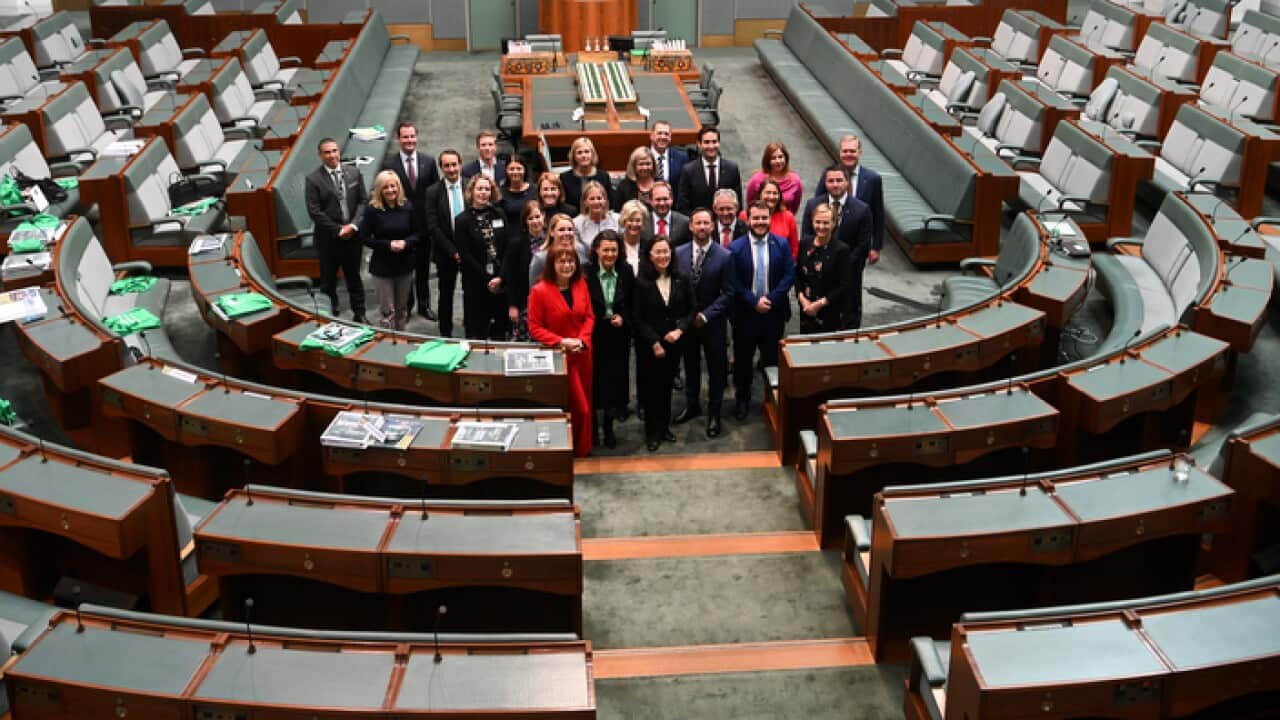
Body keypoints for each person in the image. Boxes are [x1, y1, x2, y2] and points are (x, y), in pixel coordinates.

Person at [728, 201, 795, 421]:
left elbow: (788, 276)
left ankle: (771, 400)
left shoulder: (782, 244)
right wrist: (753, 301)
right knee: (743, 361)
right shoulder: (735, 248)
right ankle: (742, 399)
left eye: (764, 218)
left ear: (769, 219)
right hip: (746, 314)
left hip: (773, 314)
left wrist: (771, 299)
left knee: (771, 361)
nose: (760, 222)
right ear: (748, 219)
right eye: (756, 218)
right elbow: (734, 282)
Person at [528, 247, 595, 457]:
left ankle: (582, 449)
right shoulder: (539, 291)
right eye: (561, 262)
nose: (567, 266)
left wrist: (582, 340)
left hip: (583, 354)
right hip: (560, 358)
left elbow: (590, 317)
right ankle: (567, 449)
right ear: (552, 265)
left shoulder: (581, 284)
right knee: (578, 408)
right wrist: (561, 341)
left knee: (586, 404)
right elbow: (535, 327)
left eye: (571, 261)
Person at [674, 207, 733, 438]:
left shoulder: (725, 256)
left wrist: (706, 315)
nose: (702, 227)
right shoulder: (678, 253)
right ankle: (692, 404)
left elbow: (728, 293)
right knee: (690, 365)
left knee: (716, 369)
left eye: (706, 223)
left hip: (713, 323)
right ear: (690, 226)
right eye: (697, 223)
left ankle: (714, 413)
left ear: (713, 226)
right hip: (687, 323)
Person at [632, 236, 694, 451]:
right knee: (651, 390)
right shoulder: (641, 282)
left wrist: (680, 330)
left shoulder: (682, 277)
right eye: (658, 252)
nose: (663, 256)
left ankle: (664, 427)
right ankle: (652, 432)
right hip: (650, 346)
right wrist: (654, 342)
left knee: (667, 387)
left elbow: (690, 310)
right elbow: (637, 318)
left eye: (666, 251)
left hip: (674, 343)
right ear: (650, 256)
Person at [801, 166, 874, 328]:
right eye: (830, 181)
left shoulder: (862, 210)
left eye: (839, 180)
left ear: (847, 182)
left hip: (847, 280)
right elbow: (806, 238)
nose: (835, 184)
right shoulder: (813, 204)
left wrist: (840, 266)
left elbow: (862, 247)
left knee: (846, 324)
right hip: (817, 278)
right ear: (825, 183)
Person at [305, 137, 367, 322]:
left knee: (354, 277)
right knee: (328, 281)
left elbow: (363, 201)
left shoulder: (354, 173)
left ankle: (360, 313)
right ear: (320, 155)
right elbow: (314, 211)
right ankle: (331, 314)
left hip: (352, 237)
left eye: (334, 151)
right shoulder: (313, 179)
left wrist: (353, 225)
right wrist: (338, 229)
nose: (332, 155)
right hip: (328, 240)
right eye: (327, 152)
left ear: (339, 152)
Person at [381, 122, 438, 321]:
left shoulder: (429, 162)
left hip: (423, 226)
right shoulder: (389, 165)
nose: (409, 140)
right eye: (405, 137)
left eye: (412, 136)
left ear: (417, 137)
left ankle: (424, 305)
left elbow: (434, 195)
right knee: (405, 270)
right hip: (401, 227)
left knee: (423, 268)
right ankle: (406, 306)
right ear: (399, 139)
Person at [585, 229, 634, 448]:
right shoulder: (586, 272)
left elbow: (634, 303)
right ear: (596, 250)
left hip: (617, 335)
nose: (610, 254)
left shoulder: (626, 270)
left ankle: (609, 426)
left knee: (614, 382)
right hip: (593, 334)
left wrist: (623, 316)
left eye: (614, 250)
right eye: (605, 250)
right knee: (594, 382)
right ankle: (593, 428)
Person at [812, 134, 884, 265]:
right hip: (829, 239)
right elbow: (817, 205)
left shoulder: (873, 179)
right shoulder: (829, 175)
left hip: (857, 244)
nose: (848, 154)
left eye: (852, 151)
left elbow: (878, 214)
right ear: (840, 152)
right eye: (845, 151)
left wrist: (876, 247)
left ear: (859, 152)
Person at [453, 174, 509, 340]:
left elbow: (506, 247)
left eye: (487, 189)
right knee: (477, 328)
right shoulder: (462, 220)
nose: (483, 192)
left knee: (500, 328)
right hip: (476, 283)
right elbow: (465, 255)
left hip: (499, 281)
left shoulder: (499, 214)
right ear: (472, 191)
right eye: (479, 189)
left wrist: (500, 277)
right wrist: (487, 280)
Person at [361, 170, 417, 330]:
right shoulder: (372, 209)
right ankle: (388, 344)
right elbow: (365, 238)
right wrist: (388, 245)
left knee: (402, 310)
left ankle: (401, 340)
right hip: (382, 268)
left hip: (404, 266)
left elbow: (418, 233)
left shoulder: (407, 207)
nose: (390, 190)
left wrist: (406, 243)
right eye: (386, 187)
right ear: (380, 189)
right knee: (387, 312)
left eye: (393, 186)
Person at [423, 149, 466, 336]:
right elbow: (433, 227)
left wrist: (466, 251)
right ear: (441, 168)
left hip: (470, 253)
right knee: (446, 295)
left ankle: (472, 330)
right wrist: (453, 251)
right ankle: (445, 333)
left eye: (454, 164)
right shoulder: (432, 192)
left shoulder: (471, 186)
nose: (451, 169)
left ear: (460, 165)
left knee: (471, 294)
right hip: (445, 253)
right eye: (447, 165)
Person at [795, 204, 852, 334]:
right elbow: (797, 275)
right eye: (818, 222)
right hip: (806, 309)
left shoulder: (841, 250)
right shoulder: (804, 243)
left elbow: (844, 284)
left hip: (829, 311)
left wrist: (819, 304)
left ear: (834, 223)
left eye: (826, 223)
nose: (821, 227)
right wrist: (802, 299)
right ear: (812, 222)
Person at [501, 201, 546, 341]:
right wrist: (513, 305)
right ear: (525, 222)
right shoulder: (517, 244)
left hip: (547, 301)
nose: (535, 221)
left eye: (537, 216)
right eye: (530, 218)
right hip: (524, 303)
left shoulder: (552, 240)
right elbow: (511, 277)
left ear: (544, 216)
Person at [676, 126, 742, 214]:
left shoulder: (732, 169)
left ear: (719, 143)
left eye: (714, 142)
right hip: (699, 224)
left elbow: (738, 204)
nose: (711, 146)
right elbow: (683, 205)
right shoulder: (688, 171)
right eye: (706, 142)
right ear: (699, 144)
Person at [529, 213, 591, 292]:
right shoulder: (540, 258)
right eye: (561, 230)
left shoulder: (580, 249)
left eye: (570, 229)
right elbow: (533, 290)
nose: (567, 233)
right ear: (551, 232)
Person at [743, 178, 799, 259]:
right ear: (760, 194)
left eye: (775, 193)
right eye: (768, 193)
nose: (771, 197)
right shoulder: (745, 215)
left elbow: (794, 248)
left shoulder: (788, 217)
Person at [746, 142, 802, 214]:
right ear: (767, 160)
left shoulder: (795, 180)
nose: (778, 161)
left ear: (786, 158)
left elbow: (794, 207)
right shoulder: (756, 179)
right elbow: (750, 204)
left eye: (780, 157)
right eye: (773, 158)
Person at [559, 136, 612, 210]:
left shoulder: (604, 176)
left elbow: (609, 203)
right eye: (579, 152)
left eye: (587, 152)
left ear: (592, 154)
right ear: (574, 156)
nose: (583, 155)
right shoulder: (564, 178)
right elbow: (563, 206)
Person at [573, 180, 619, 247]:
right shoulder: (576, 224)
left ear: (605, 200)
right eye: (592, 199)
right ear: (585, 202)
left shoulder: (617, 220)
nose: (596, 202)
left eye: (599, 198)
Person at [645, 181, 690, 246]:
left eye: (665, 199)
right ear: (650, 200)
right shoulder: (643, 223)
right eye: (658, 199)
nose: (662, 203)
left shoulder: (685, 223)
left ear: (671, 199)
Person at [648, 120, 687, 193]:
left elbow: (684, 187)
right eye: (659, 133)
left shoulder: (681, 158)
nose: (663, 137)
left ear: (670, 137)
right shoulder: (642, 156)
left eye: (666, 134)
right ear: (651, 136)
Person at [614, 146, 657, 210]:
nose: (645, 167)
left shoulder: (660, 184)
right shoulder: (624, 186)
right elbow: (617, 212)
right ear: (633, 166)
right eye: (641, 164)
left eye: (648, 164)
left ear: (653, 165)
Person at [498, 154, 536, 223]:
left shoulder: (535, 190)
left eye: (519, 169)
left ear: (525, 170)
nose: (515, 172)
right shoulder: (500, 193)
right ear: (506, 171)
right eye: (511, 169)